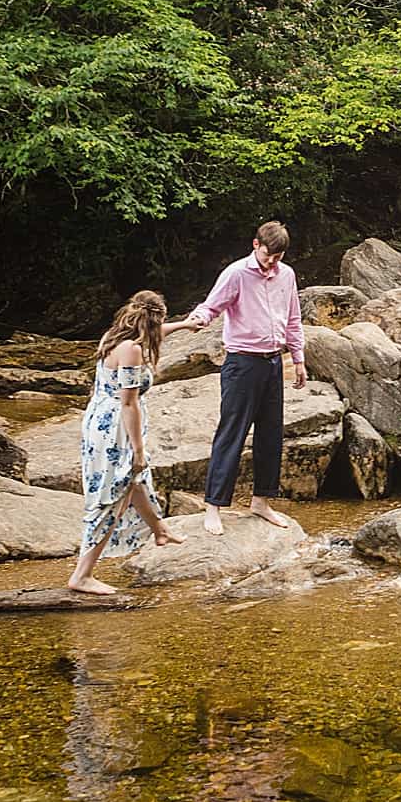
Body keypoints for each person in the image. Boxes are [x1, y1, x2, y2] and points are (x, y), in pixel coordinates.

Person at [185, 218, 308, 535]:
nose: (272, 262)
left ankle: (262, 501)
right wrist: (197, 318)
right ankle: (213, 507)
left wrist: (298, 359)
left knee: (271, 434)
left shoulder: (287, 275)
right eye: (268, 255)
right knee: (232, 433)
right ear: (256, 245)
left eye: (278, 258)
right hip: (242, 363)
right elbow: (211, 307)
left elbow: (293, 319)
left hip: (273, 363)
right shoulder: (236, 273)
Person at [67, 290, 179, 595]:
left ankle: (160, 531)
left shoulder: (114, 337)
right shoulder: (132, 351)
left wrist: (183, 326)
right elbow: (128, 403)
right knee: (113, 495)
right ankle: (82, 575)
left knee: (135, 480)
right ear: (154, 320)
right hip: (115, 427)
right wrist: (138, 450)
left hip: (99, 419)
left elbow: (156, 335)